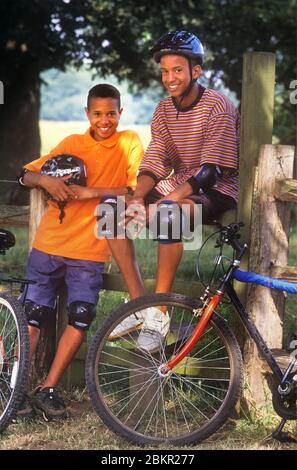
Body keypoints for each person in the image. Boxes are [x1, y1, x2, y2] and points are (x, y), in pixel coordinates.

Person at [16, 83, 144, 420]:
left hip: (90, 251)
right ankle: (13, 387)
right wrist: (46, 181)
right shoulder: (72, 143)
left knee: (81, 318)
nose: (105, 120)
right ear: (88, 113)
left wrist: (90, 193)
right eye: (98, 113)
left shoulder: (129, 142)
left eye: (112, 113)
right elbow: (25, 175)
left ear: (121, 112)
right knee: (32, 317)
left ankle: (49, 387)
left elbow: (135, 188)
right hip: (49, 246)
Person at [107, 30, 240, 353]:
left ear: (196, 70)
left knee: (167, 216)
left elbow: (210, 172)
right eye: (165, 71)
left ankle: (160, 314)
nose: (170, 78)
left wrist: (164, 202)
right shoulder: (163, 110)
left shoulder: (218, 105)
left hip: (216, 188)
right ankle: (140, 307)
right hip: (180, 182)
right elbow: (156, 159)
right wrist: (138, 196)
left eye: (177, 70)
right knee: (112, 210)